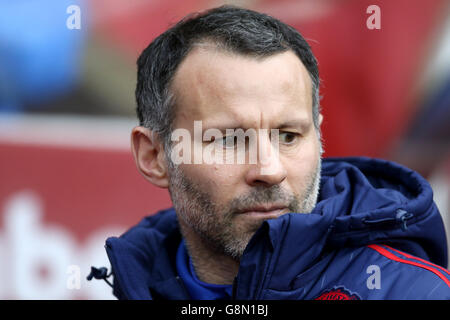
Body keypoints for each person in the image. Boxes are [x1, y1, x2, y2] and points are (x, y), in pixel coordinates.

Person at [89, 5, 450, 300]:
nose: (269, 169)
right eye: (229, 140)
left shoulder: (415, 293)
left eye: (289, 136)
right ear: (154, 156)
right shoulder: (133, 285)